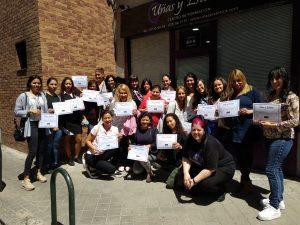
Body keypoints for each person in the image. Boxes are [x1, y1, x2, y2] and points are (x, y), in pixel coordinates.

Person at [257, 67, 299, 221]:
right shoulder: (271, 95)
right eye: (272, 78)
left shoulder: (291, 97)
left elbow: (296, 120)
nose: (274, 81)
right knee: (277, 168)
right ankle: (279, 199)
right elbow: (266, 115)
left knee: (271, 169)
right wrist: (259, 119)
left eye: (278, 78)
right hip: (268, 138)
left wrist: (274, 125)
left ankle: (274, 207)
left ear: (284, 79)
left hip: (283, 138)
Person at [177, 116, 235, 201]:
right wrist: (186, 173)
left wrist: (193, 181)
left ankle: (221, 190)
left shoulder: (210, 143)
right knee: (181, 176)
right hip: (204, 164)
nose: (196, 132)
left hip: (224, 167)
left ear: (204, 130)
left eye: (199, 130)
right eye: (193, 130)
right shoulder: (189, 138)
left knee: (205, 184)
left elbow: (210, 169)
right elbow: (186, 157)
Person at [225, 69, 261, 194]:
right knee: (240, 158)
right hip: (235, 130)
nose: (236, 83)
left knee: (246, 157)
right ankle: (245, 181)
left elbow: (263, 108)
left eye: (239, 80)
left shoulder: (252, 90)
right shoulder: (231, 94)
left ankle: (247, 183)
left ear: (243, 79)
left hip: (248, 130)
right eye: (233, 81)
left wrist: (250, 111)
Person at [14, 75, 48, 191]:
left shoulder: (42, 95)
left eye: (38, 83)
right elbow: (16, 112)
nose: (37, 85)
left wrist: (49, 114)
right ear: (30, 84)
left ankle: (38, 172)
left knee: (41, 151)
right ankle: (26, 179)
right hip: (31, 125)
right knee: (33, 151)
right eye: (34, 83)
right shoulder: (24, 96)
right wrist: (28, 111)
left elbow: (46, 110)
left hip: (42, 124)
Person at [84, 110, 122, 178]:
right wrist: (93, 148)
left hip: (103, 153)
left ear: (112, 118)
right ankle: (90, 165)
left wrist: (119, 138)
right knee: (112, 170)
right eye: (105, 118)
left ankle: (101, 165)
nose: (107, 120)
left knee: (117, 149)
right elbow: (87, 141)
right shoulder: (97, 127)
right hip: (93, 155)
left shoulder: (115, 129)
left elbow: (115, 144)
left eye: (109, 117)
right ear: (102, 119)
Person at [109, 84, 137, 172]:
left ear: (128, 93)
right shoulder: (114, 102)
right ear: (118, 93)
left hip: (128, 127)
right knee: (119, 146)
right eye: (121, 93)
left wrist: (134, 112)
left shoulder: (132, 102)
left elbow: (135, 115)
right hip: (117, 126)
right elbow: (110, 113)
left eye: (125, 93)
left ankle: (128, 163)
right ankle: (120, 163)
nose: (123, 95)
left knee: (127, 145)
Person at [60, 77, 84, 166]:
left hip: (77, 121)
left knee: (79, 139)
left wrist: (81, 108)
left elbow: (80, 106)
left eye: (70, 84)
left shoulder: (76, 95)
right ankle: (69, 157)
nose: (68, 85)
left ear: (72, 85)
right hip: (67, 122)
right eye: (66, 84)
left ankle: (76, 156)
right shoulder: (61, 96)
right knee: (67, 140)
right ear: (63, 85)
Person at [131, 112, 159, 183]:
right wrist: (131, 148)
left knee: (143, 157)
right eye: (143, 120)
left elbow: (157, 143)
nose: (145, 122)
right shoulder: (136, 130)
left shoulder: (154, 130)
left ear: (150, 121)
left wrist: (150, 145)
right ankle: (149, 168)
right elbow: (134, 142)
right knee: (136, 171)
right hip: (139, 153)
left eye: (147, 120)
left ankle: (149, 173)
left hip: (151, 154)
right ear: (140, 120)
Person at [45, 77, 63, 170]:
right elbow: (41, 110)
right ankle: (46, 165)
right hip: (47, 126)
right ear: (47, 85)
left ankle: (55, 164)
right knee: (48, 146)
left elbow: (59, 112)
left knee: (56, 146)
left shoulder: (58, 97)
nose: (54, 86)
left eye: (55, 84)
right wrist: (47, 110)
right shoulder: (43, 96)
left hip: (57, 126)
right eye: (51, 84)